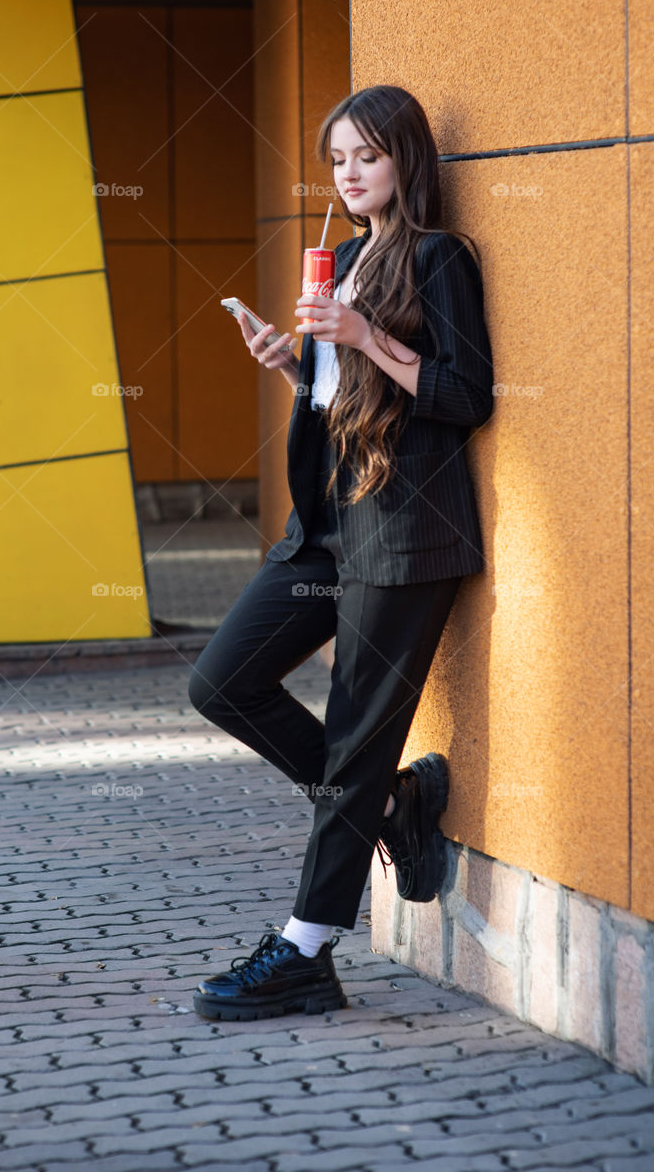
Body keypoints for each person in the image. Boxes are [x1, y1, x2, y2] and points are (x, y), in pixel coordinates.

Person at [187, 84, 494, 1021]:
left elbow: (465, 393)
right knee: (221, 681)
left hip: (404, 530)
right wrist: (294, 361)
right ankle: (390, 804)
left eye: (366, 155)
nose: (349, 174)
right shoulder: (349, 257)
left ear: (406, 159)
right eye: (335, 160)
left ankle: (305, 953)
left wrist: (363, 335)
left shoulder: (439, 259)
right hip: (324, 525)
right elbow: (337, 402)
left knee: (355, 734)